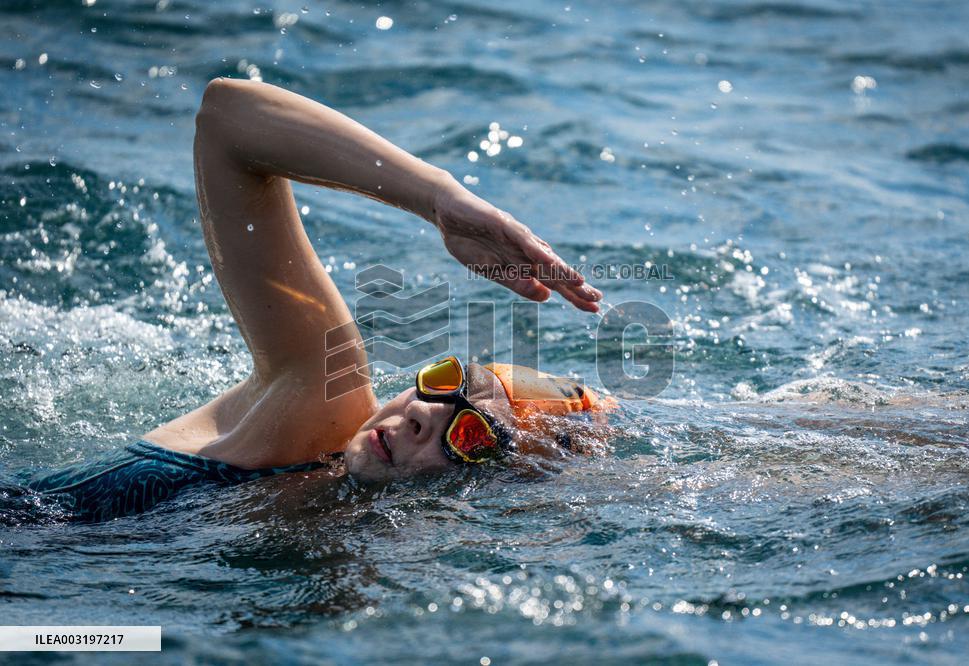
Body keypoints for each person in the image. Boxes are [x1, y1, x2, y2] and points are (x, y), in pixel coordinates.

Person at [27, 79, 610, 522]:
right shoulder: (319, 404)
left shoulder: (339, 527)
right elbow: (228, 118)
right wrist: (440, 198)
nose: (421, 415)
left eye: (468, 436)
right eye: (446, 380)